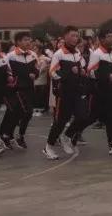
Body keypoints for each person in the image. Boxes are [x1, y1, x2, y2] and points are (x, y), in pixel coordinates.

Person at [43, 26, 89, 160]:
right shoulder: (59, 54)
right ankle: (48, 147)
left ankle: (66, 136)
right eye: (73, 35)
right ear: (65, 37)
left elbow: (83, 70)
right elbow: (52, 73)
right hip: (64, 93)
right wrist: (69, 72)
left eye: (77, 35)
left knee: (83, 117)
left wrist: (82, 72)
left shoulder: (77, 54)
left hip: (77, 91)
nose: (75, 38)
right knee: (60, 121)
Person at [0, 31, 39, 149]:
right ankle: (18, 135)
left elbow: (37, 69)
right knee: (27, 111)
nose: (28, 42)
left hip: (29, 88)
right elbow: (6, 73)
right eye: (25, 40)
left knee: (17, 113)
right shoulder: (11, 56)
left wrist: (34, 74)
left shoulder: (33, 55)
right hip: (16, 89)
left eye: (29, 40)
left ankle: (7, 134)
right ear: (18, 42)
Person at [86, 29, 112, 155]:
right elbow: (90, 72)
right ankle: (74, 133)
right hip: (99, 90)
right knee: (91, 117)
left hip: (111, 91)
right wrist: (106, 77)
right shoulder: (97, 53)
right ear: (101, 39)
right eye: (109, 36)